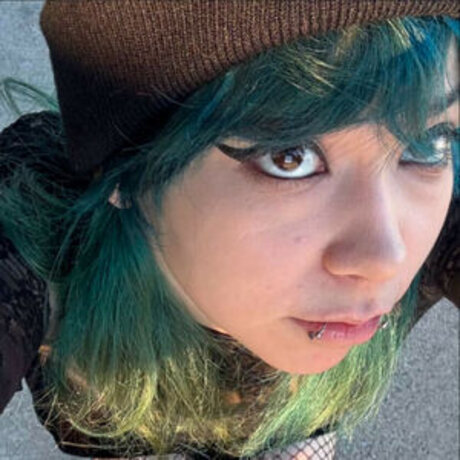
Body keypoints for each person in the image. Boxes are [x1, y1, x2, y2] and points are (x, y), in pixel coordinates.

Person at [0, 1, 459, 459]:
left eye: (428, 143)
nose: (386, 259)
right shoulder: (34, 230)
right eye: (289, 157)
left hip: (294, 428)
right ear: (123, 171)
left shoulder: (435, 221)